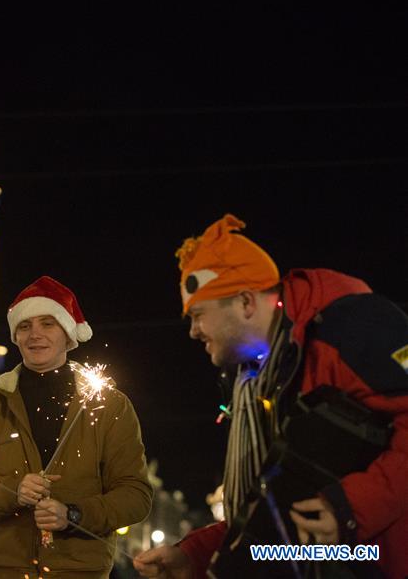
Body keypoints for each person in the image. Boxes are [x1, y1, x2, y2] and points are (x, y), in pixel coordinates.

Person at [133, 214, 408, 578]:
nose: (193, 331)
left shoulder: (353, 329)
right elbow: (271, 510)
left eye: (197, 314)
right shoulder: (254, 380)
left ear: (246, 302)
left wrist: (352, 508)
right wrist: (194, 556)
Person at [0, 276, 153, 579]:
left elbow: (136, 496)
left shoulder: (110, 405)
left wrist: (73, 514)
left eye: (48, 323)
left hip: (80, 573)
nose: (35, 334)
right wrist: (13, 493)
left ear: (68, 333)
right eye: (25, 326)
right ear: (15, 336)